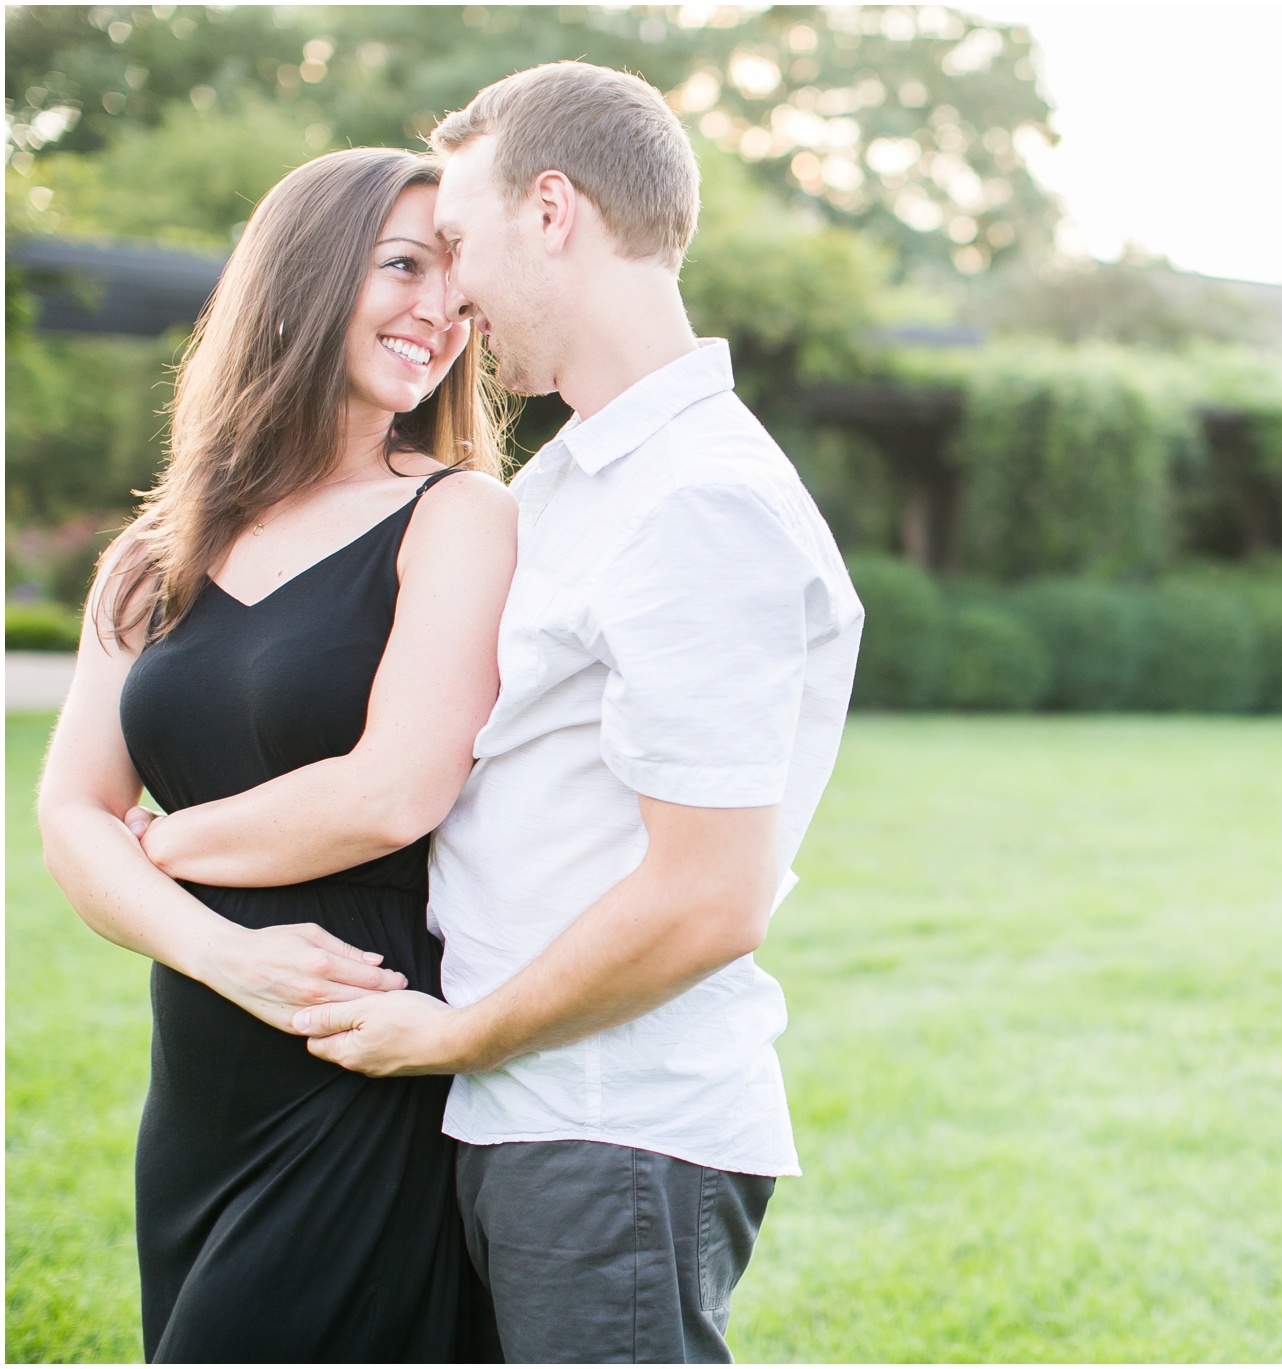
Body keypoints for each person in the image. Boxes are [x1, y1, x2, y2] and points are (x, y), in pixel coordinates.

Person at [288, 62, 864, 1363]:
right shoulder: (576, 485)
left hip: (612, 1133)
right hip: (530, 1115)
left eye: (459, 243)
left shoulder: (697, 502)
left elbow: (711, 896)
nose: (452, 294)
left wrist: (456, 1035)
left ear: (552, 211)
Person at [35, 147, 517, 1361]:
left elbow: (395, 790)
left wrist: (170, 843)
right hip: (202, 1062)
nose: (437, 316)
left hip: (360, 1045)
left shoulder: (457, 512)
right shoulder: (157, 552)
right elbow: (67, 813)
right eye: (403, 265)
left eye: (459, 293)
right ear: (297, 274)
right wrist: (219, 953)